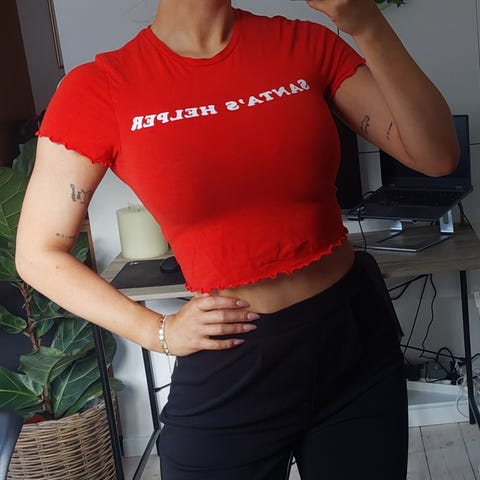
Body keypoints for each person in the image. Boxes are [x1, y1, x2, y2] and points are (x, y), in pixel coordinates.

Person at [16, 0, 459, 478]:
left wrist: (366, 23)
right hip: (233, 358)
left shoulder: (303, 43)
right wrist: (156, 332)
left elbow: (436, 157)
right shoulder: (99, 87)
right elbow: (37, 254)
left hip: (352, 340)